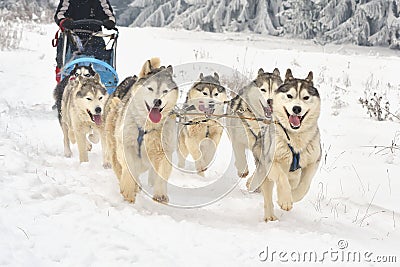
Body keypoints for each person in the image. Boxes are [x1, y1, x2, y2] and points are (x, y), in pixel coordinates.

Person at [54, 0, 116, 83]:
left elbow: (108, 14)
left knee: (102, 62)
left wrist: (110, 21)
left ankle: (104, 82)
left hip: (95, 35)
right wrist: (63, 21)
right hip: (72, 35)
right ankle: (65, 80)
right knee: (68, 60)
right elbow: (60, 15)